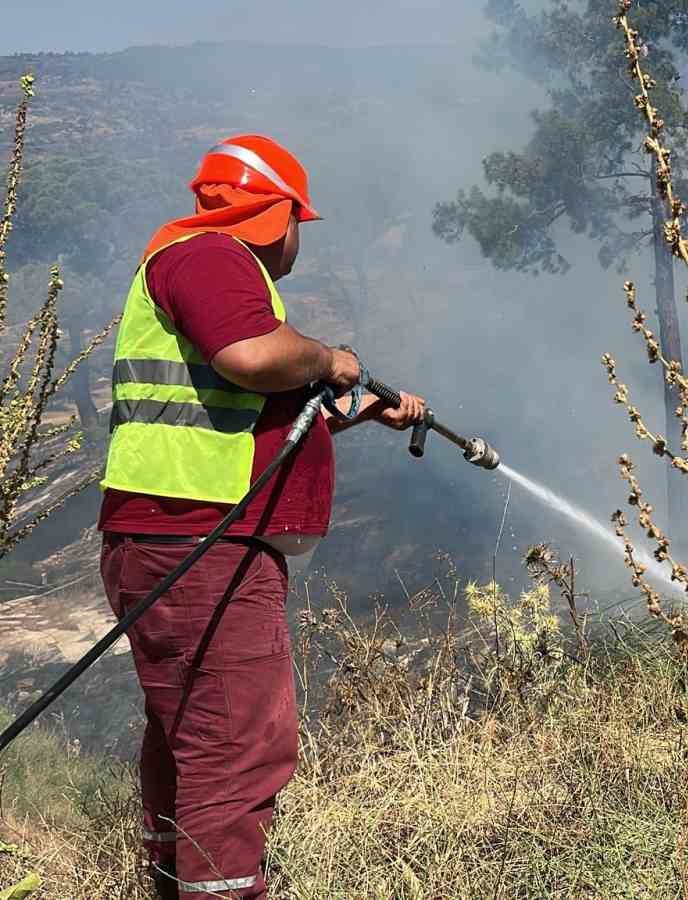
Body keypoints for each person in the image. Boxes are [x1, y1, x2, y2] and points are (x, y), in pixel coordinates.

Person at [97, 134, 425, 899]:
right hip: (201, 544)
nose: (298, 239)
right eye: (300, 222)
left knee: (194, 736)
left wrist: (354, 409)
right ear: (278, 216)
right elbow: (249, 358)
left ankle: (170, 879)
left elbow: (241, 417)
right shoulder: (212, 259)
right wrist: (330, 358)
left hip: (180, 535)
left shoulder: (193, 263)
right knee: (238, 742)